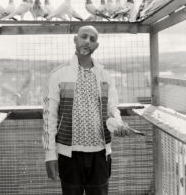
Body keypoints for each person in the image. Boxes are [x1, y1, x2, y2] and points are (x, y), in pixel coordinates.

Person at [42, 25, 131, 195]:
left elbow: (112, 108)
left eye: (92, 39)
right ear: (75, 40)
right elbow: (49, 117)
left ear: (96, 46)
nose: (87, 41)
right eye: (84, 37)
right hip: (69, 154)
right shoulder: (58, 75)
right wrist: (50, 155)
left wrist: (118, 124)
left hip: (100, 153)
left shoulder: (105, 76)